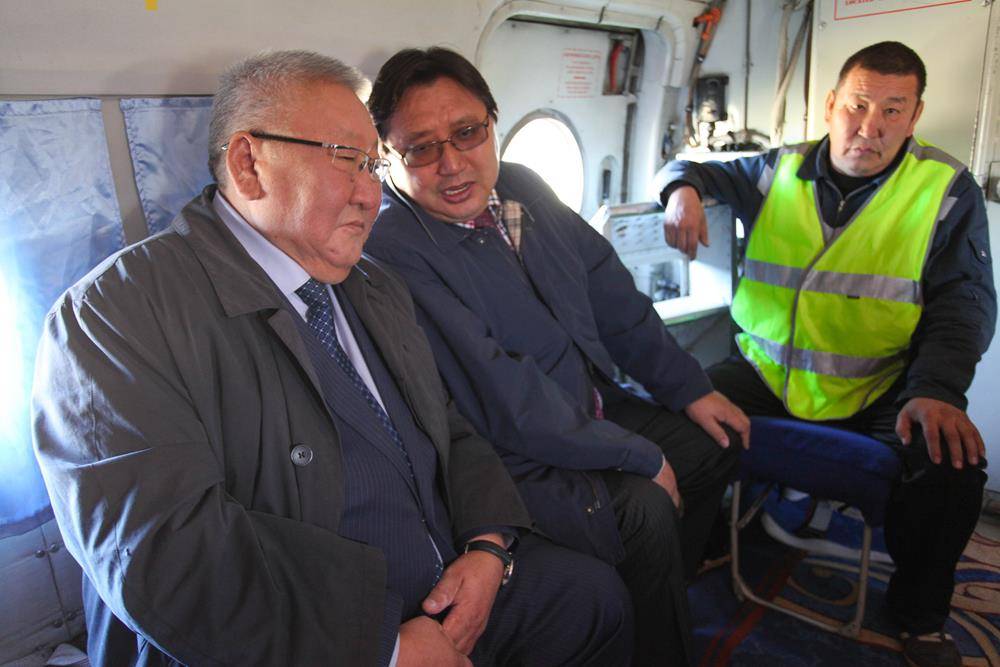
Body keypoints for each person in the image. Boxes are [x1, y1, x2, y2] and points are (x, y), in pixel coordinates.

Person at [31, 50, 635, 667]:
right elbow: (164, 557)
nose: (371, 194)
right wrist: (385, 650)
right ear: (248, 165)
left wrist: (488, 546)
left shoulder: (373, 284)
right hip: (314, 637)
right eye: (348, 159)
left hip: (445, 581)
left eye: (374, 165)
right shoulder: (113, 317)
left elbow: (450, 429)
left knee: (595, 602)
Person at [364, 47, 749, 666]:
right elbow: (503, 396)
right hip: (511, 455)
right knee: (645, 509)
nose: (452, 163)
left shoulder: (521, 186)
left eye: (467, 133)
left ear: (493, 122)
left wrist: (689, 387)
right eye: (421, 148)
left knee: (716, 442)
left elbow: (610, 292)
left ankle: (663, 592)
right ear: (387, 154)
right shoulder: (393, 247)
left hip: (586, 407)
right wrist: (640, 455)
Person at [658, 41, 994, 667]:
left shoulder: (946, 190)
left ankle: (919, 618)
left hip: (878, 385)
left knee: (951, 464)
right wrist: (680, 190)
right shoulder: (776, 169)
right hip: (764, 373)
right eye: (858, 106)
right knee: (674, 414)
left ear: (915, 116)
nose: (870, 127)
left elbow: (963, 305)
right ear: (832, 103)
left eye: (892, 110)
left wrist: (937, 390)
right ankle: (695, 548)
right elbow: (689, 166)